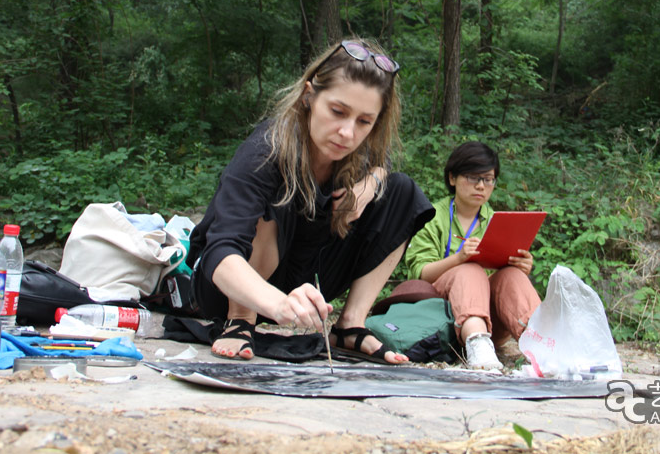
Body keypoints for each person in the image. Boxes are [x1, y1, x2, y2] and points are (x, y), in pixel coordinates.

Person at [186, 39, 434, 364]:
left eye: (364, 121)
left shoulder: (358, 149)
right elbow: (221, 251)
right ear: (309, 96)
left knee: (403, 192)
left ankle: (350, 326)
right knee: (272, 201)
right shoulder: (265, 153)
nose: (347, 132)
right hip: (231, 289)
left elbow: (383, 163)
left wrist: (370, 184)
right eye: (337, 111)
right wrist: (276, 303)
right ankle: (240, 321)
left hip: (303, 284)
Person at [403, 142, 541, 370]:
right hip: (437, 320)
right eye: (472, 177)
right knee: (469, 269)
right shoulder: (430, 216)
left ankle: (543, 343)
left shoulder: (498, 221)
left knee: (512, 276)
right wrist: (458, 259)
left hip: (490, 321)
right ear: (452, 178)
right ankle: (477, 345)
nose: (481, 186)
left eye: (488, 179)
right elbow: (420, 274)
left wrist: (521, 266)